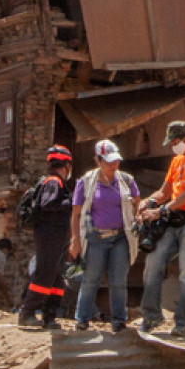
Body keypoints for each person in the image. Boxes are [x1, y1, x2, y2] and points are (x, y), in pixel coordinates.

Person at [137, 121, 185, 336]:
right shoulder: (176, 161)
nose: (172, 146)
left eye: (174, 142)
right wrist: (147, 201)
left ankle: (183, 321)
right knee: (153, 261)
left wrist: (160, 211)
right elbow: (164, 191)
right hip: (173, 218)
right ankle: (151, 315)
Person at [69, 140, 140, 332]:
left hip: (120, 238)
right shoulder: (85, 182)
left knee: (118, 281)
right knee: (91, 279)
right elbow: (76, 214)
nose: (113, 165)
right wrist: (75, 240)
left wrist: (140, 220)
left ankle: (118, 321)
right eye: (108, 161)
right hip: (95, 239)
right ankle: (82, 319)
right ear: (98, 160)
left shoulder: (126, 180)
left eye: (116, 161)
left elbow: (137, 205)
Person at [17, 145, 74, 329]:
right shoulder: (53, 182)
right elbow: (48, 203)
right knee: (44, 274)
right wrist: (71, 202)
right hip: (49, 235)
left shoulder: (57, 183)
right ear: (66, 165)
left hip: (57, 237)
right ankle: (27, 313)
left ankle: (50, 316)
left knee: (56, 277)